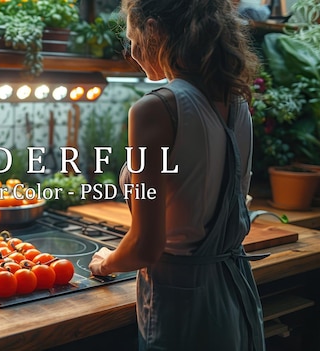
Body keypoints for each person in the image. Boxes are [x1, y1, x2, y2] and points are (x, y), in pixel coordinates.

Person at [88, 0, 265, 350]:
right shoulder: (236, 100)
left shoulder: (156, 108)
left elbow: (146, 246)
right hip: (232, 288)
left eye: (131, 39)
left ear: (153, 30)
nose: (131, 52)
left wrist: (105, 263)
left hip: (181, 300)